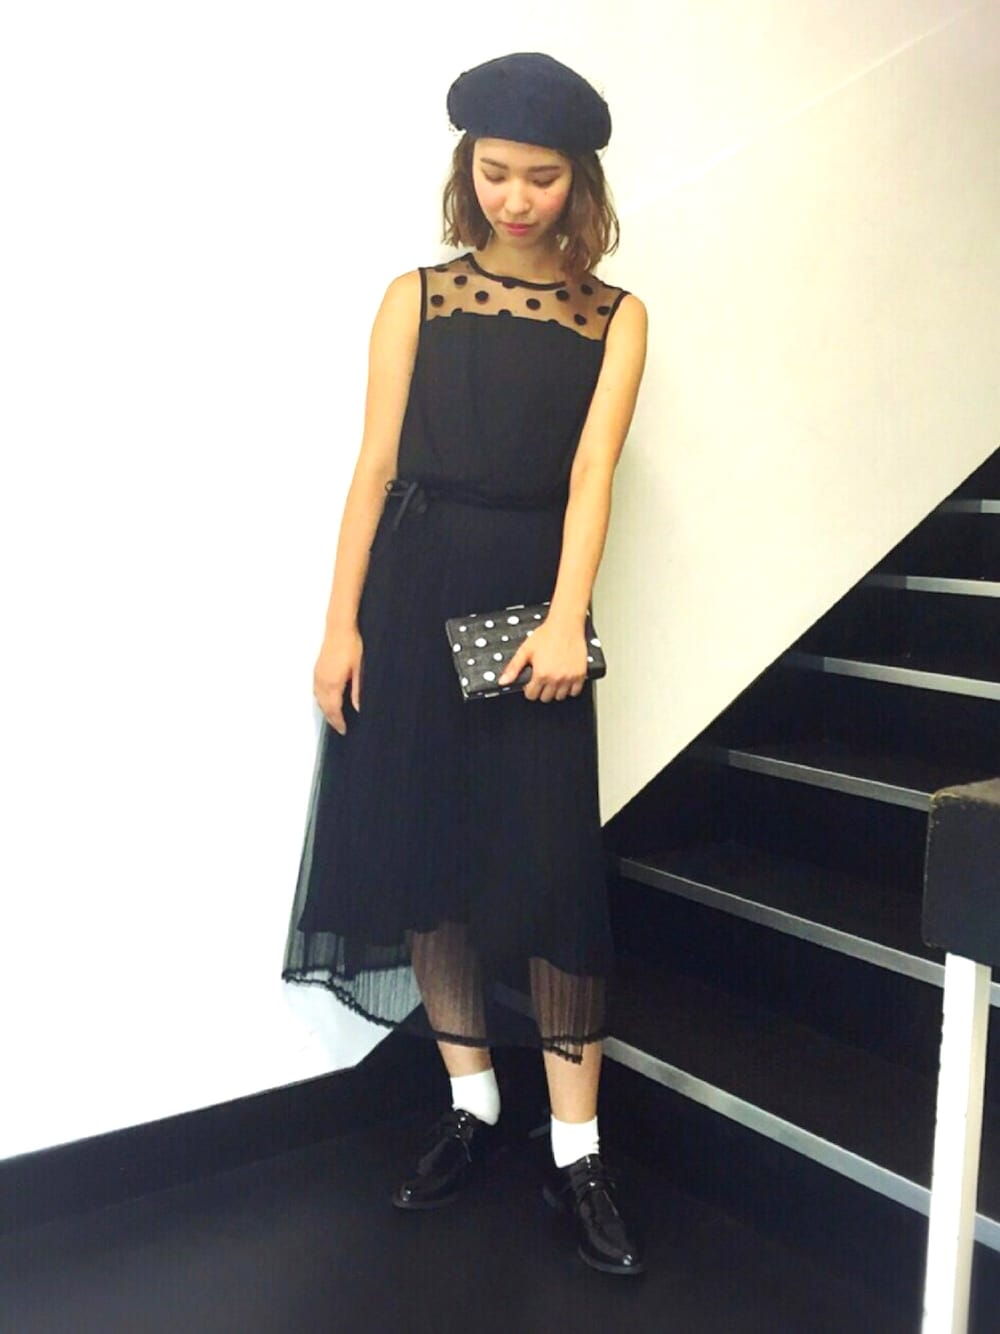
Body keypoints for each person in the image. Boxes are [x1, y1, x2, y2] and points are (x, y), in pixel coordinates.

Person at [281, 51, 648, 1276]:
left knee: (551, 874)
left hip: (529, 610)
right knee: (425, 856)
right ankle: (471, 1103)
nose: (515, 198)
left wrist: (566, 615)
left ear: (578, 181)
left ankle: (578, 1149)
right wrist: (340, 625)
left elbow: (591, 476)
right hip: (410, 594)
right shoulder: (417, 297)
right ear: (466, 167)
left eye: (541, 176)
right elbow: (372, 469)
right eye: (495, 172)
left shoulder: (616, 316)